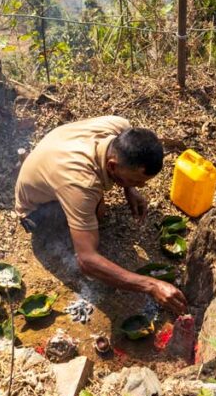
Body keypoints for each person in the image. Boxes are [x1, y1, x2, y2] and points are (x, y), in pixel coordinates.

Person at [14, 115, 188, 314]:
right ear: (113, 166)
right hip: (36, 212)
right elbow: (87, 260)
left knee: (95, 204)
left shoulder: (120, 127)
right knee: (99, 212)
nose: (141, 186)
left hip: (56, 157)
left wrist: (129, 188)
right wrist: (152, 285)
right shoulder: (81, 183)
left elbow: (122, 164)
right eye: (136, 180)